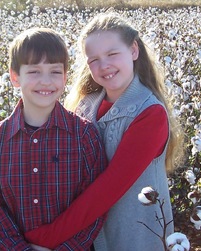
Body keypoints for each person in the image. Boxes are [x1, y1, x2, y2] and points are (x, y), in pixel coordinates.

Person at [24, 13, 184, 250]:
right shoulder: (85, 105)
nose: (104, 66)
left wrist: (48, 237)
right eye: (94, 59)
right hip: (86, 236)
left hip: (134, 237)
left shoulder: (150, 114)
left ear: (133, 51)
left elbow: (108, 188)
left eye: (112, 54)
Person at [0, 27, 108, 251]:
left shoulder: (84, 135)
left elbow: (95, 206)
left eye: (55, 72)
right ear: (15, 77)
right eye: (34, 71)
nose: (46, 81)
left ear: (65, 77)